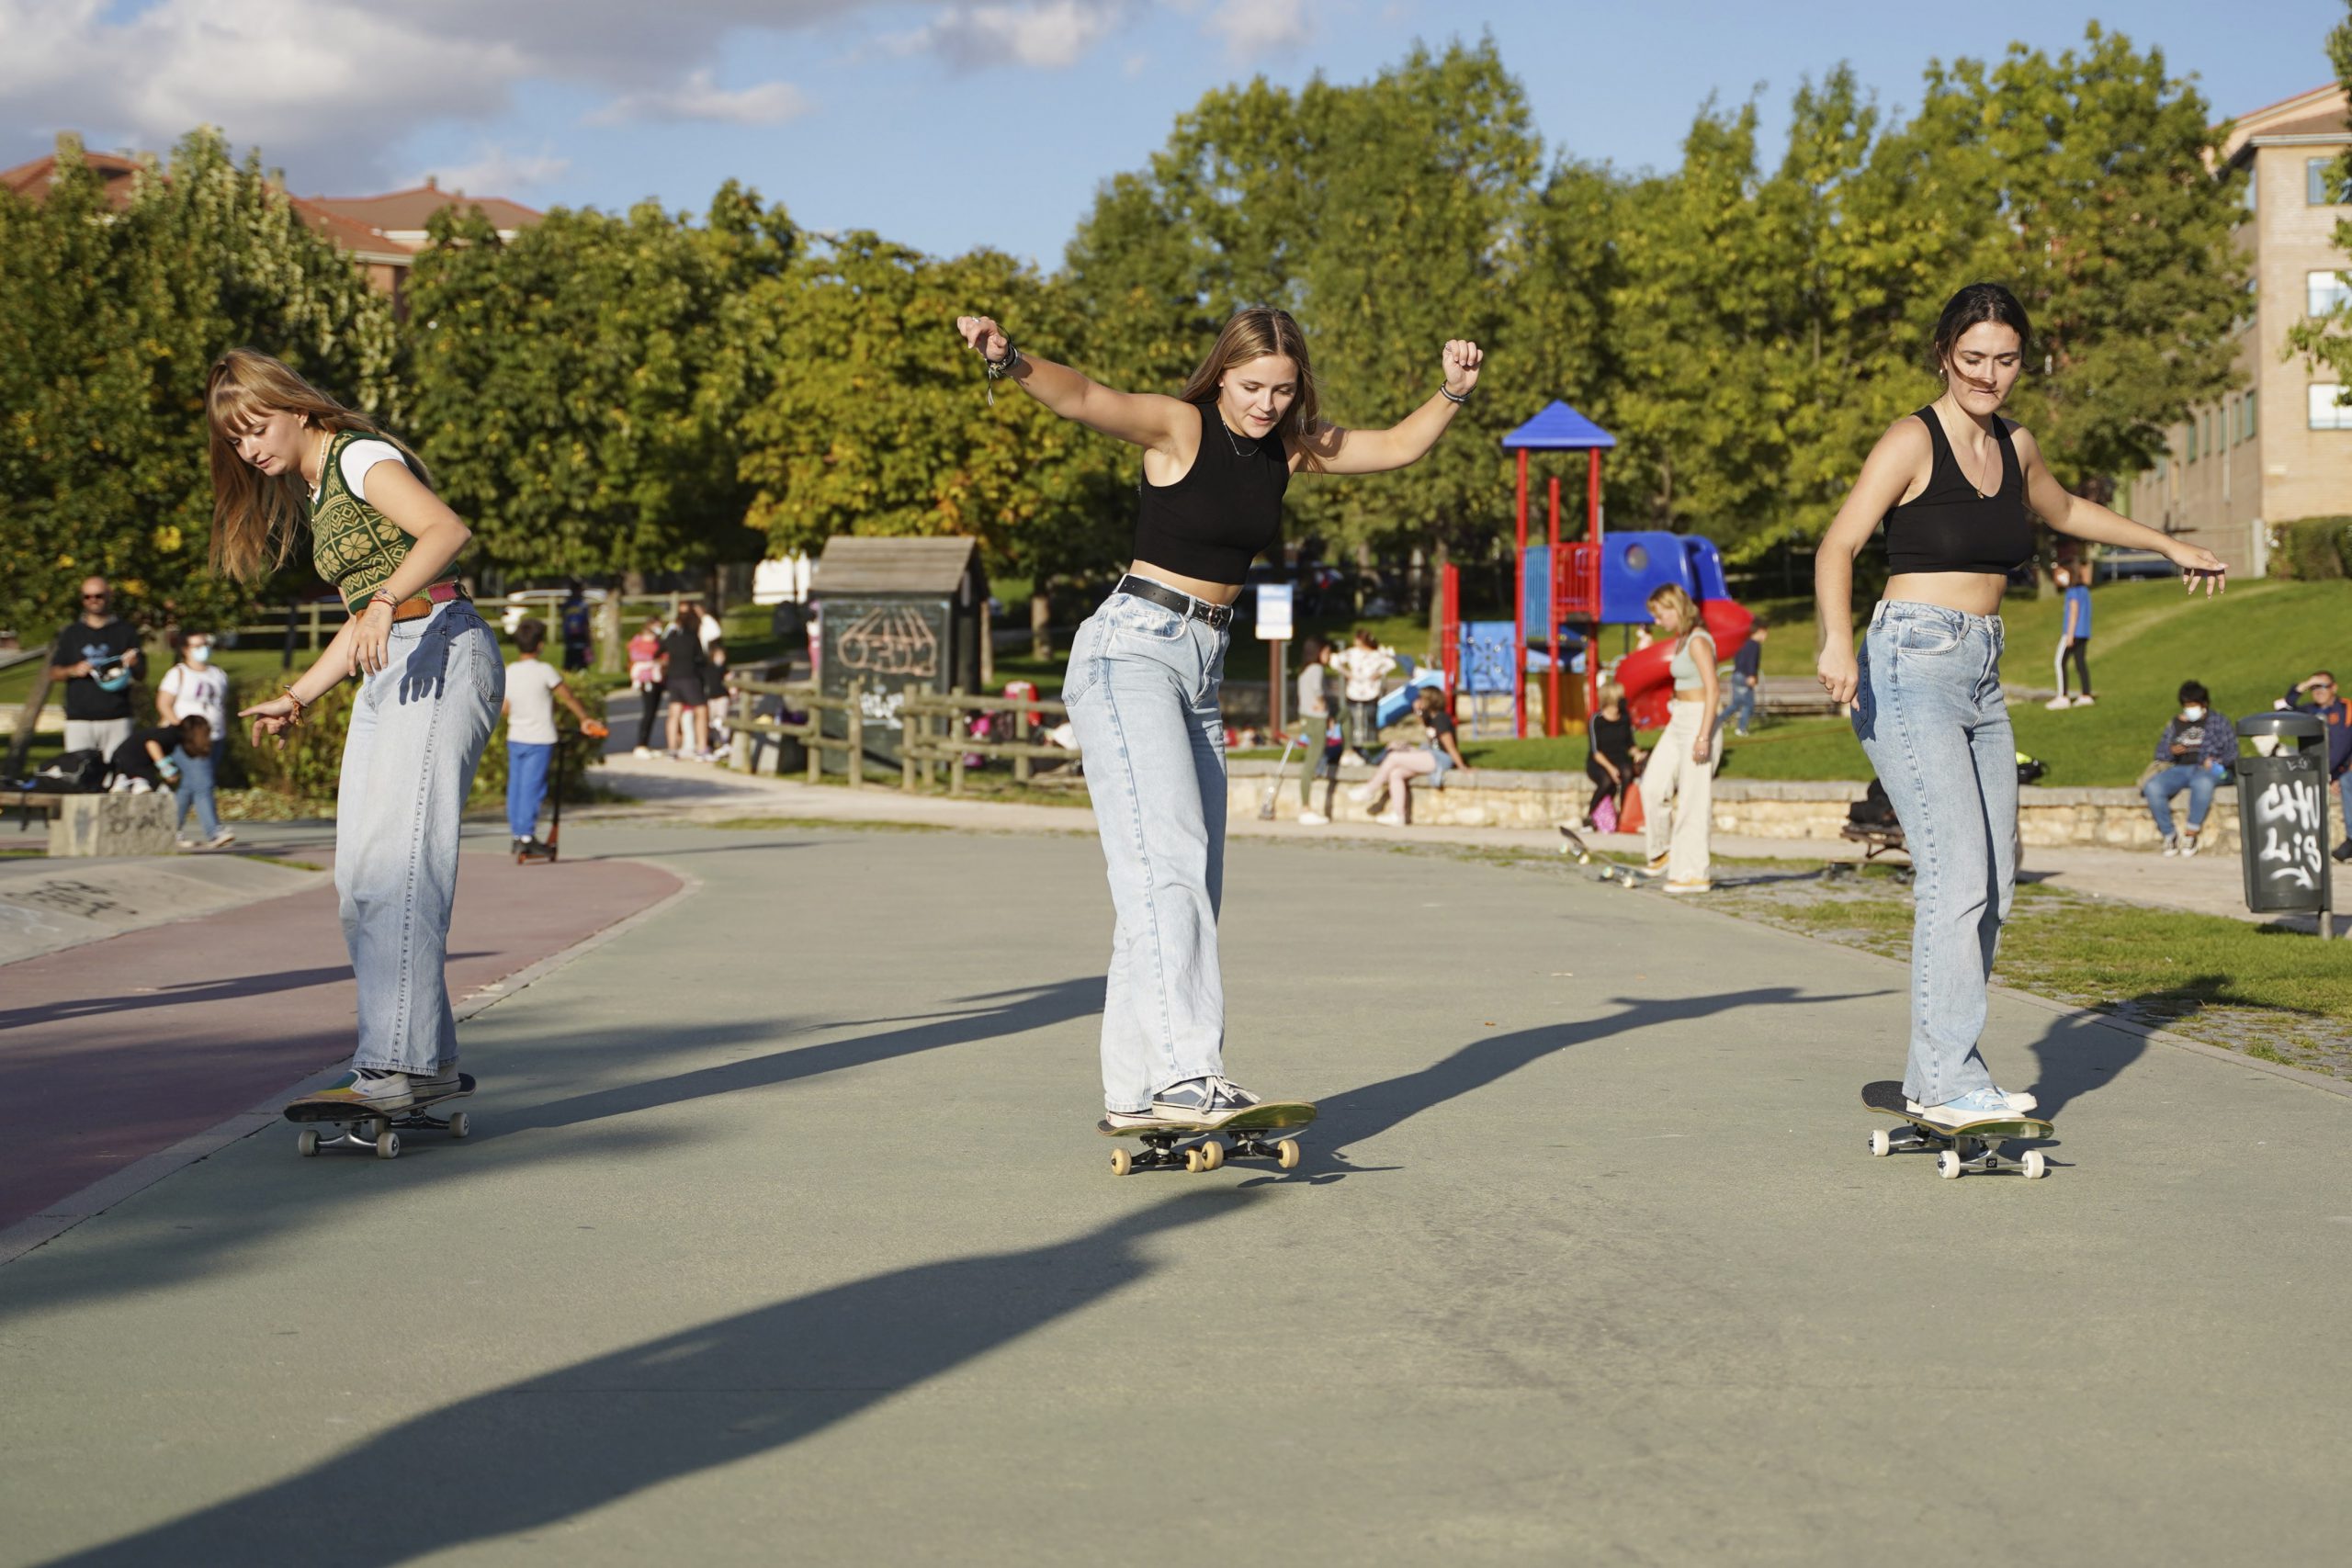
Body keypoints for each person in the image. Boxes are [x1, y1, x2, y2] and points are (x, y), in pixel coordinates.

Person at [956, 303, 1482, 1126]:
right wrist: (1010, 358)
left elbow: (1395, 446)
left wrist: (1452, 392)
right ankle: (1187, 1073)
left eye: (1282, 388)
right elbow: (1084, 397)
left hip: (1198, 667)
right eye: (1250, 386)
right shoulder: (1179, 427)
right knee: (1165, 868)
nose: (1266, 404)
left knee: (1185, 883)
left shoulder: (1289, 447)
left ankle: (1135, 1091)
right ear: (1222, 373)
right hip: (1130, 650)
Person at [1815, 282, 2225, 1128]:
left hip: (1982, 672)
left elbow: (2068, 509)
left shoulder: (2018, 444)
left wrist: (2167, 542)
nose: (1988, 376)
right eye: (1972, 359)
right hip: (1908, 658)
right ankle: (1949, 1074)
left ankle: (1933, 1067)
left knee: (1997, 875)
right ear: (1944, 355)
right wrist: (1830, 640)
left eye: (2004, 361)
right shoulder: (1910, 439)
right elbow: (1839, 543)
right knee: (1957, 872)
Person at [209, 346, 503, 1114]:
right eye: (237, 440)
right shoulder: (316, 488)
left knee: (401, 868)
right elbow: (363, 613)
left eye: (257, 426)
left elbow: (444, 530)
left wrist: (381, 601)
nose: (250, 448)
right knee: (361, 881)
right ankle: (423, 1059)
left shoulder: (360, 456)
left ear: (297, 408)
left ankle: (394, 1068)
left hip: (438, 643)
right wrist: (298, 695)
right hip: (390, 660)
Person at [1633, 585, 1720, 893]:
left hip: (1699, 719)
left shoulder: (1697, 640)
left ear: (1675, 608)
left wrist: (1704, 736)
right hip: (1679, 717)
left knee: (1693, 802)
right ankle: (1661, 852)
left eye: (1660, 614)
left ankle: (1694, 873)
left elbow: (1713, 689)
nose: (1657, 622)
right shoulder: (1683, 639)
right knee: (1652, 784)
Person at [503, 617, 595, 854]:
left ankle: (517, 833)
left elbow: (505, 707)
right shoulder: (545, 671)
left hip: (516, 735)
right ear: (541, 645)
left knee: (517, 786)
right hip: (540, 738)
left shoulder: (510, 671)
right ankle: (527, 837)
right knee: (533, 788)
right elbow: (567, 696)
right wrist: (585, 719)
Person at [47, 575, 146, 761]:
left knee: (118, 774)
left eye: (99, 595)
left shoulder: (125, 631)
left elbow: (141, 674)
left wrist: (134, 664)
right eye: (87, 596)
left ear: (109, 595)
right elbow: (54, 672)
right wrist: (73, 670)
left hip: (117, 716)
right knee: (80, 774)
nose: (93, 600)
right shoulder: (71, 633)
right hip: (79, 717)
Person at [1351, 684, 1470, 827]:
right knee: (1396, 773)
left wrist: (1462, 767)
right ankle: (1398, 815)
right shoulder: (1429, 718)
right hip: (1431, 755)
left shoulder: (1441, 719)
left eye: (1421, 699)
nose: (1418, 701)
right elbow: (1428, 735)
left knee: (1394, 757)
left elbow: (1450, 747)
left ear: (1430, 701)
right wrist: (1417, 711)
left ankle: (1370, 789)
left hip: (1441, 759)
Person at [158, 630, 234, 849]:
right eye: (197, 645)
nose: (203, 649)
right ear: (185, 649)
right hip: (188, 740)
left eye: (205, 644)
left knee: (189, 787)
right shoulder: (178, 673)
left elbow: (220, 705)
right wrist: (182, 730)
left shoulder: (218, 674)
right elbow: (163, 703)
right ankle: (214, 832)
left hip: (214, 737)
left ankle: (169, 831)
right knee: (203, 783)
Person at [2141, 681, 2233, 857]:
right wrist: (2171, 750)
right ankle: (2169, 835)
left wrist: (2214, 761)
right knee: (2153, 786)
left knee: (2202, 782)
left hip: (2211, 769)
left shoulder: (2219, 722)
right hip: (2181, 768)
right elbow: (2160, 754)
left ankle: (2191, 833)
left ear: (2204, 704)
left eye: (2193, 705)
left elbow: (2232, 754)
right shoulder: (2175, 724)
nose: (2190, 709)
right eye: (2186, 705)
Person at [2279, 670, 2352, 862]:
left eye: (2323, 686)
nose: (2318, 691)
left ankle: (2351, 840)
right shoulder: (2309, 711)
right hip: (2319, 768)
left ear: (2334, 688)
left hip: (2343, 768)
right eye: (2314, 687)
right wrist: (2301, 687)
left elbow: (2342, 747)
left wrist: (2330, 774)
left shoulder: (2345, 709)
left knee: (2347, 782)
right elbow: (2281, 710)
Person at [1330, 629, 1397, 762]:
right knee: (1352, 719)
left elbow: (1391, 663)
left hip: (1370, 691)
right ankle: (1353, 745)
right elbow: (1335, 660)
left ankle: (1367, 742)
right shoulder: (1352, 653)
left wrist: (1378, 673)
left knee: (1369, 718)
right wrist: (1346, 673)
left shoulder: (1376, 654)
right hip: (1354, 690)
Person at [1294, 635, 1340, 824]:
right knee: (1311, 761)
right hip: (1316, 718)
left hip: (1307, 717)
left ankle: (1349, 751)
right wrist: (1323, 707)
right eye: (1327, 652)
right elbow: (1317, 692)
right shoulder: (1317, 669)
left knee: (1342, 714)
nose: (1329, 656)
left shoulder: (1305, 670)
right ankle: (1306, 808)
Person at [1584, 680, 1637, 830]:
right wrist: (1611, 769)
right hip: (1600, 762)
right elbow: (1596, 751)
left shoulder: (1625, 718)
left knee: (1627, 773)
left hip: (1620, 758)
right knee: (1607, 781)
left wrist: (1638, 753)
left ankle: (1625, 813)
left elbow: (1630, 744)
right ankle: (1589, 816)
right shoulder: (1596, 720)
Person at [109, 715, 207, 795]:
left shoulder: (172, 734)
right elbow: (152, 744)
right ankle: (131, 780)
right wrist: (167, 770)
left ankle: (126, 780)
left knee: (159, 788)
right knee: (162, 791)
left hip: (125, 760)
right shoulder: (172, 734)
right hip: (130, 762)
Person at [662, 604, 710, 760]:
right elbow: (701, 658)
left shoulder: (671, 637)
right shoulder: (692, 637)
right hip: (690, 677)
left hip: (673, 678)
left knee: (674, 713)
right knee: (701, 711)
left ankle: (671, 748)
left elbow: (659, 650)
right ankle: (702, 747)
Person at [2048, 564, 2095, 709]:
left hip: (2072, 633)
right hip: (2084, 633)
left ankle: (2062, 697)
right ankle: (2086, 695)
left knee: (2059, 662)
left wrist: (2069, 635)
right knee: (2080, 663)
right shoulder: (2084, 590)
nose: (2059, 576)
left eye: (2062, 572)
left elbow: (2074, 613)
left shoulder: (2072, 591)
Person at [628, 616, 666, 757]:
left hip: (657, 678)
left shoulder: (658, 642)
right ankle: (641, 743)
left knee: (653, 711)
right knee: (648, 711)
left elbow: (664, 657)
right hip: (646, 680)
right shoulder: (638, 642)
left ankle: (646, 743)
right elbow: (636, 656)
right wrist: (652, 660)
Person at [1725, 624, 1766, 738]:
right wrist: (1752, 675)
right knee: (1748, 704)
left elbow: (1737, 658)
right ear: (1759, 631)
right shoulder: (1754, 645)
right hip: (1746, 676)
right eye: (1765, 634)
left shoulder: (1742, 642)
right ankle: (1741, 728)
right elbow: (1751, 661)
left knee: (1736, 703)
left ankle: (1718, 720)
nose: (1765, 637)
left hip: (1736, 674)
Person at [560, 581, 593, 671]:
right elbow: (586, 623)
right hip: (578, 635)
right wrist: (589, 640)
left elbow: (563, 619)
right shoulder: (582, 605)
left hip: (572, 636)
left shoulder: (567, 604)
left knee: (570, 663)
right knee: (579, 664)